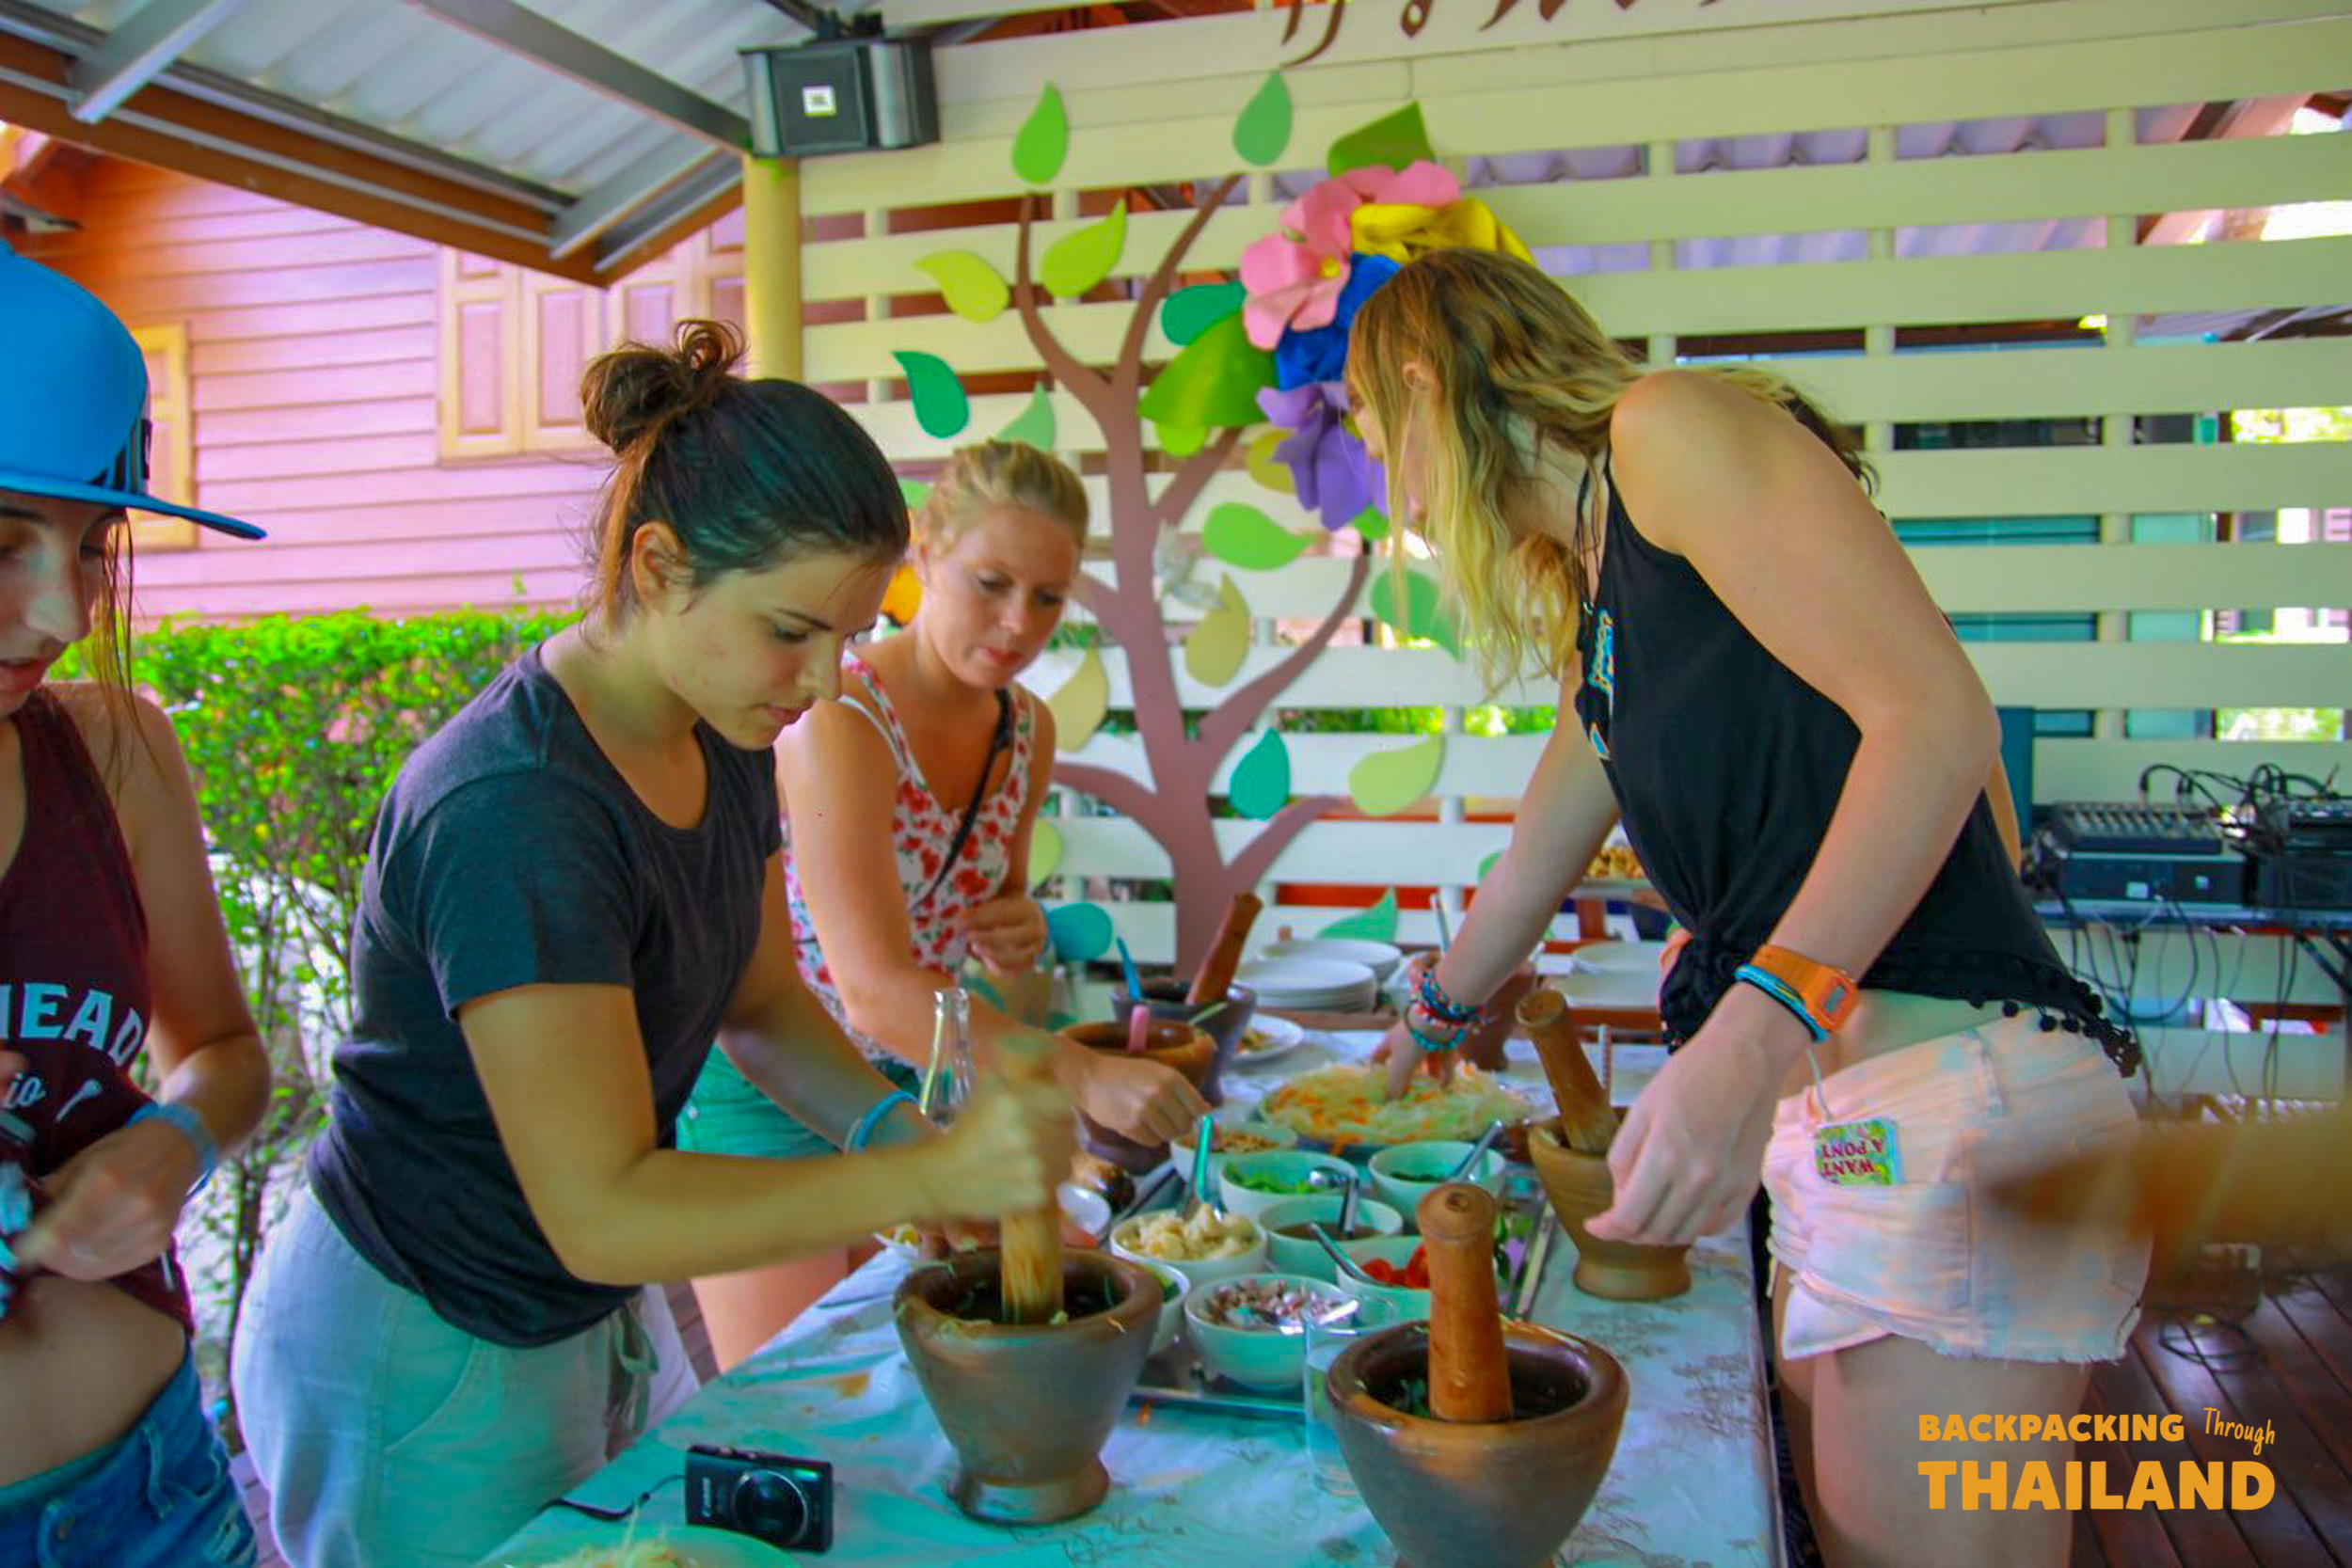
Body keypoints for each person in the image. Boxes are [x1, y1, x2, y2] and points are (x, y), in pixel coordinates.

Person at [230, 324, 1077, 1568]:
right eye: (792, 630)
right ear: (659, 563)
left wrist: (900, 1136)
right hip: (423, 1326)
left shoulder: (719, 730)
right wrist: (927, 1177)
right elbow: (603, 1208)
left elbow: (763, 1002)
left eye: (847, 637)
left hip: (575, 1309)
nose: (824, 681)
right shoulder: (517, 805)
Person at [1348, 249, 2145, 1568]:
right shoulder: (1607, 590)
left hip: (1954, 1110)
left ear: (1426, 385)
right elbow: (1544, 846)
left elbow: (1942, 724)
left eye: (1375, 432)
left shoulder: (1666, 431)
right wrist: (1430, 1017)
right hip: (1854, 1127)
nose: (1388, 482)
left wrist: (1751, 1028)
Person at [681, 440, 1206, 1369]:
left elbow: (994, 935)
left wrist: (1020, 931)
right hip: (774, 1084)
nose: (1017, 623)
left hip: (912, 1088)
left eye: (1048, 597)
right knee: (792, 1399)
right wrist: (1081, 1075)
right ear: (924, 556)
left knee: (912, 1377)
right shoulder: (842, 714)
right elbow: (874, 988)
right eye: (991, 583)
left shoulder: (1025, 727)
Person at [0, 242, 273, 1566]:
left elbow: (223, 1051)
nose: (62, 611)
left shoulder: (114, 748)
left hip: (156, 1489)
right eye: (3, 543)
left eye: (94, 546)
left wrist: (172, 1144)